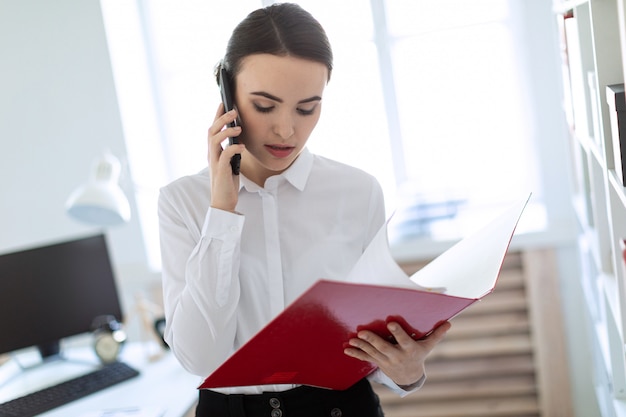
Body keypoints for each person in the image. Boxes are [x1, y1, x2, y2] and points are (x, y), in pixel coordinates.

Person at [158, 3, 451, 416]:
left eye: (306, 107)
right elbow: (200, 359)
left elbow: (371, 342)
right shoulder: (182, 203)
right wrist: (222, 212)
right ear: (227, 97)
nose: (286, 129)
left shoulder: (359, 191)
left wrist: (406, 370)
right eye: (264, 106)